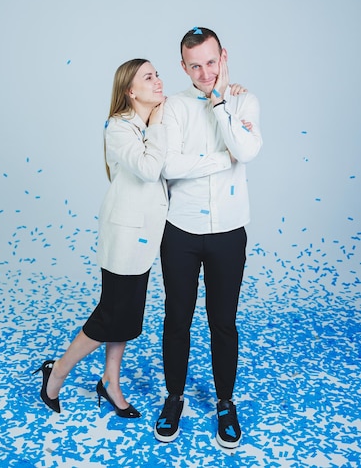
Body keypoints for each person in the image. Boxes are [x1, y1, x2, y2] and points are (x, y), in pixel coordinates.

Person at [34, 58, 168, 418]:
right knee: (112, 313)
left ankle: (110, 380)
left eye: (158, 75)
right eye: (149, 77)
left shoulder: (154, 120)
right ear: (131, 90)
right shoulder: (119, 127)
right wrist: (156, 125)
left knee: (125, 314)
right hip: (125, 235)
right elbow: (150, 168)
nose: (158, 81)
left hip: (147, 235)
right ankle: (58, 371)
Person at [154, 27, 262, 448]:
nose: (204, 72)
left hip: (229, 231)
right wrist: (222, 158)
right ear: (183, 66)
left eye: (211, 62)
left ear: (223, 58)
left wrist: (220, 104)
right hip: (179, 230)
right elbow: (169, 167)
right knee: (176, 319)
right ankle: (174, 398)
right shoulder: (173, 106)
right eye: (194, 64)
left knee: (223, 323)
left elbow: (249, 151)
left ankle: (224, 403)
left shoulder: (243, 100)